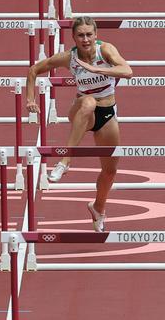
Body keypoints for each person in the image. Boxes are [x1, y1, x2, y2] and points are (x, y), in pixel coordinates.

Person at [26, 16, 133, 232]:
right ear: (74, 37)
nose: (85, 39)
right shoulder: (69, 57)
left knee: (110, 171)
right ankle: (64, 163)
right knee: (89, 102)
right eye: (81, 35)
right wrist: (30, 99)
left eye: (89, 35)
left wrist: (98, 70)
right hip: (81, 109)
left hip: (107, 113)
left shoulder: (106, 51)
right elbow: (33, 70)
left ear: (96, 35)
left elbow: (127, 71)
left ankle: (98, 208)